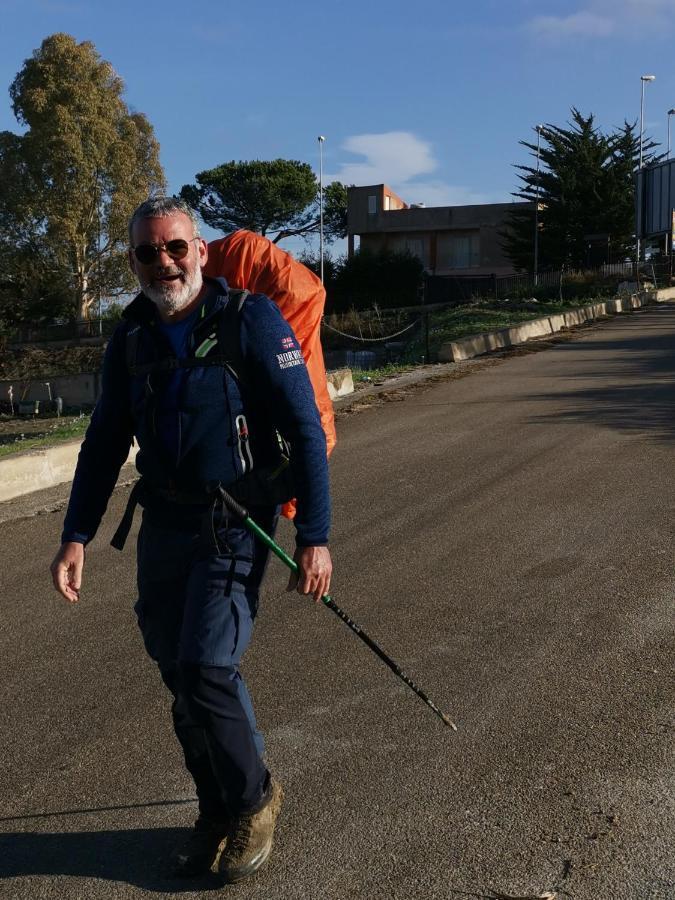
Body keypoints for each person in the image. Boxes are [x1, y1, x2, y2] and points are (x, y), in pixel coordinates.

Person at [50, 196, 332, 883]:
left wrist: (315, 536)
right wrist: (75, 534)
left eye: (176, 247)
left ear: (200, 250)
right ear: (132, 261)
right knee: (179, 675)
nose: (164, 262)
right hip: (165, 528)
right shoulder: (133, 337)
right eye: (149, 252)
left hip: (234, 525)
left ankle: (253, 801)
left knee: (208, 667)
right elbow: (104, 442)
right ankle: (215, 807)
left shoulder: (251, 321)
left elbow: (303, 433)